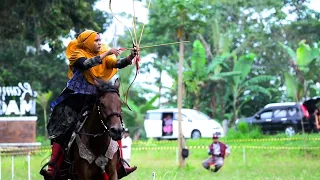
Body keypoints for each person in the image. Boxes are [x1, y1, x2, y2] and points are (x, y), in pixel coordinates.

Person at [40, 30, 137, 178]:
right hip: (77, 97)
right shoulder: (76, 52)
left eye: (100, 40)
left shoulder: (104, 51)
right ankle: (54, 167)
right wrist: (107, 53)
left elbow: (116, 63)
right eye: (96, 40)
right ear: (87, 42)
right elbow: (86, 64)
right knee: (63, 128)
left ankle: (121, 164)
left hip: (96, 94)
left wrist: (131, 57)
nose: (99, 43)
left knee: (114, 122)